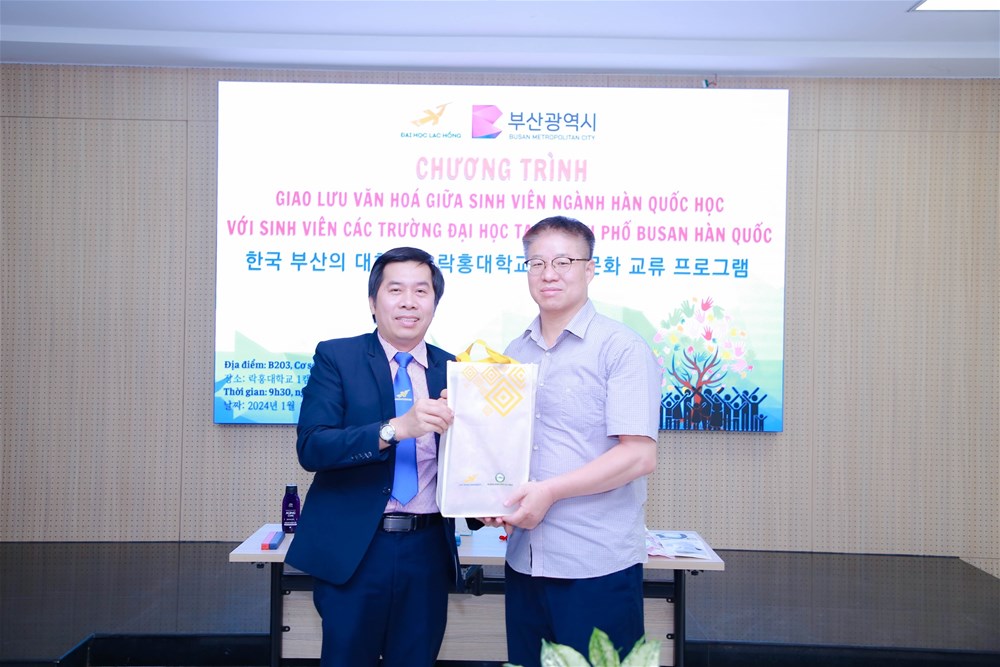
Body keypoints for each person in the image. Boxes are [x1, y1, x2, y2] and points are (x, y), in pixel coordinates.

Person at [483, 216, 661, 666]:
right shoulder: (515, 353)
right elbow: (508, 448)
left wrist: (549, 492)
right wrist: (489, 495)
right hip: (526, 561)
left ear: (590, 269)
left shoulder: (621, 348)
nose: (549, 274)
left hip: (595, 565)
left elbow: (639, 456)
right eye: (537, 263)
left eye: (564, 261)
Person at [285, 246, 459, 667]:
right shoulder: (337, 357)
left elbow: (468, 459)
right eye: (395, 290)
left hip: (426, 549)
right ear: (372, 302)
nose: (409, 302)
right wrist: (396, 429)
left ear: (435, 303)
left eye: (421, 291)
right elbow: (313, 446)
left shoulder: (453, 369)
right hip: (356, 550)